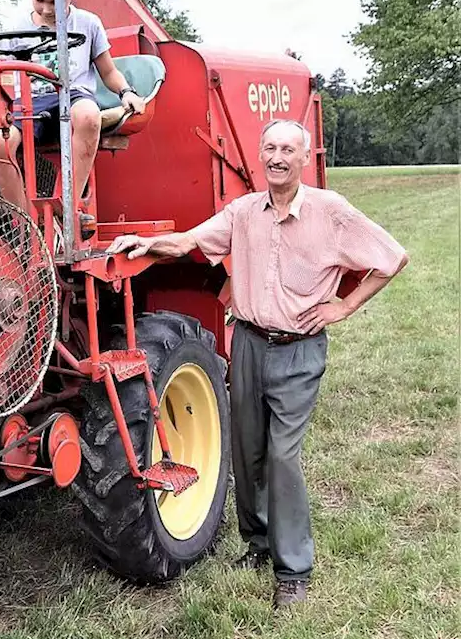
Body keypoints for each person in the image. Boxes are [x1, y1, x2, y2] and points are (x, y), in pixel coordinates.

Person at [106, 118, 409, 609]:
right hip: (247, 343)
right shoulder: (244, 211)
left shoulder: (330, 212)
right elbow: (187, 242)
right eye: (269, 148)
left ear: (304, 157)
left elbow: (393, 257)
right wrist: (143, 244)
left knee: (283, 455)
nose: (277, 157)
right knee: (247, 453)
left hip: (299, 350)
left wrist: (344, 306)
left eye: (288, 148)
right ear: (260, 155)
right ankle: (257, 542)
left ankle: (293, 570)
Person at [0, 0, 145, 214]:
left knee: (89, 116)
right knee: (0, 143)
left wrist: (126, 92)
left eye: (54, 3)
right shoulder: (17, 27)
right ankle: (24, 222)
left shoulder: (88, 24)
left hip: (72, 95)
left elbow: (108, 71)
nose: (45, 9)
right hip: (30, 102)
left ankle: (67, 206)